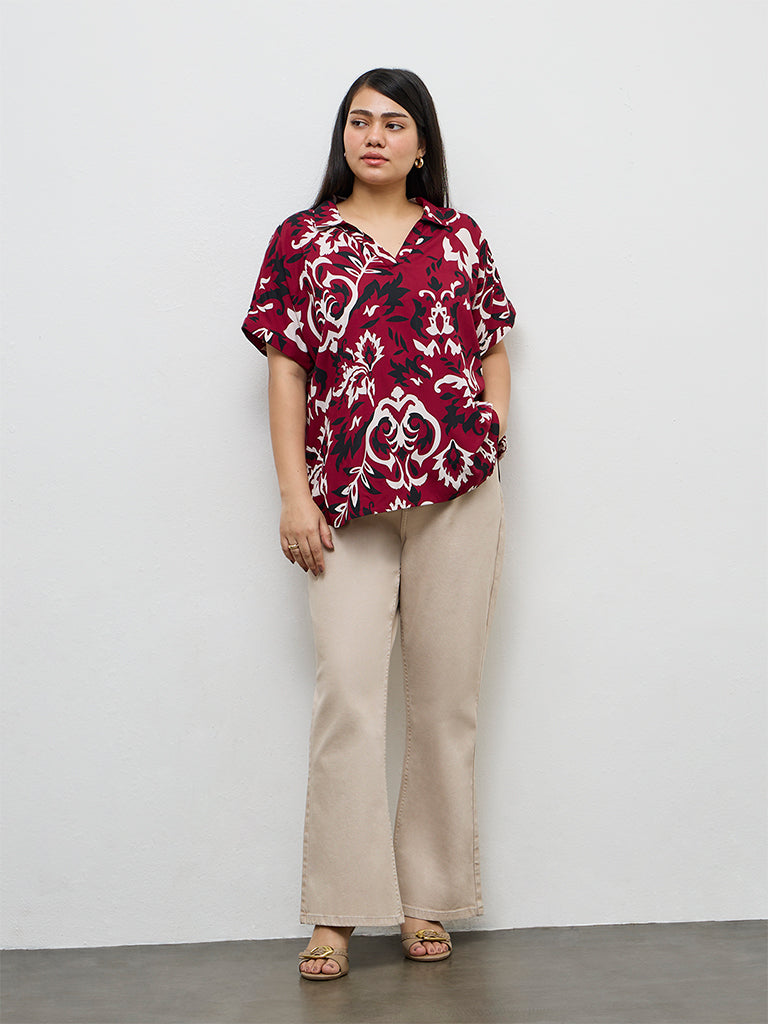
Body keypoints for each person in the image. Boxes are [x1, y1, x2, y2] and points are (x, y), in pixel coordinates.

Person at [241, 67, 515, 981]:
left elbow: (491, 345)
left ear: (421, 143)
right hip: (344, 501)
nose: (374, 136)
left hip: (456, 493)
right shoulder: (303, 239)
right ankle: (339, 909)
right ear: (343, 137)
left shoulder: (459, 237)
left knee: (444, 703)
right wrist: (294, 495)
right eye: (359, 121)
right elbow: (286, 368)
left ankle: (427, 898)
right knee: (349, 698)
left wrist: (492, 429)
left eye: (394, 123)